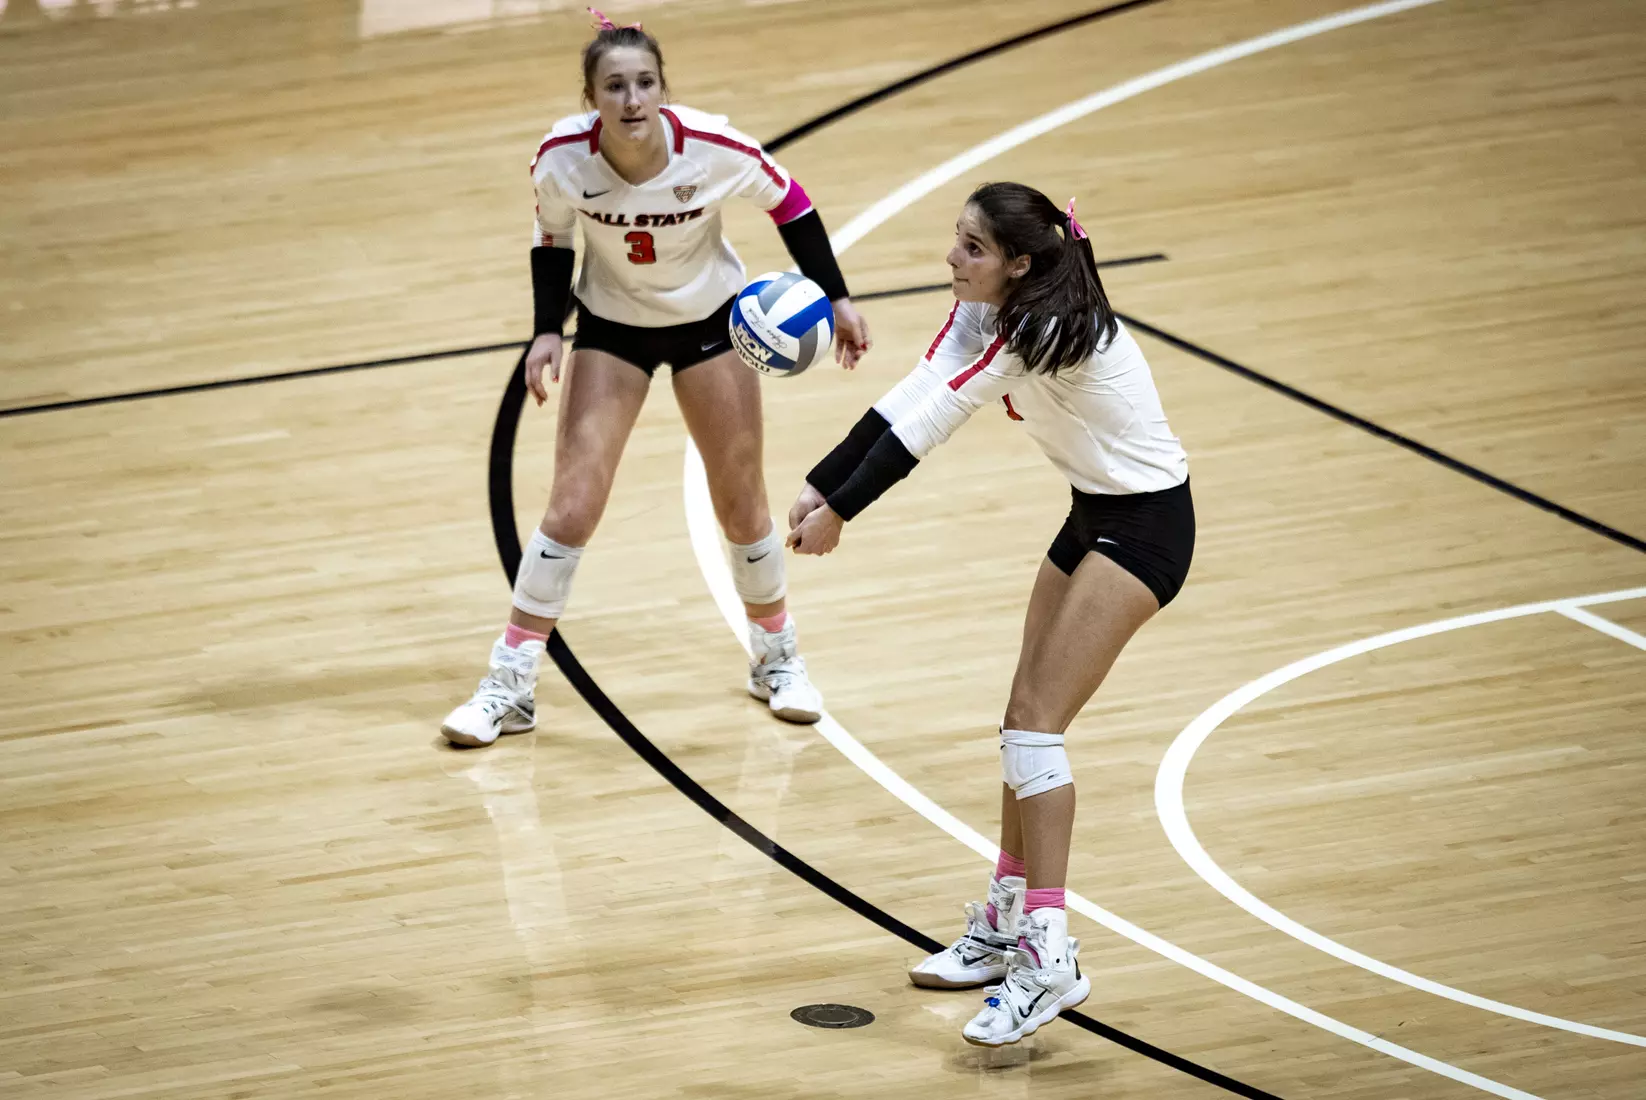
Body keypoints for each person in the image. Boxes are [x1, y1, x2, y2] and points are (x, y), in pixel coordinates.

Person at [788, 181, 1193, 1047]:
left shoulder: (1040, 329)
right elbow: (914, 389)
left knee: (1036, 732)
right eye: (957, 239)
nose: (952, 258)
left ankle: (1050, 956)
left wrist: (842, 515)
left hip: (1148, 529)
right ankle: (1008, 924)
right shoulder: (988, 309)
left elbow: (936, 421)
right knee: (1019, 724)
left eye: (971, 247)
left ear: (1019, 263)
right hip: (1093, 515)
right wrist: (824, 482)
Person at [442, 10, 872, 747]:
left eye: (645, 83)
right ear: (592, 98)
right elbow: (552, 236)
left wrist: (836, 293)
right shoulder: (561, 159)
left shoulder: (712, 147)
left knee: (742, 506)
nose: (633, 99)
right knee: (572, 506)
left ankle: (776, 659)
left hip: (714, 326)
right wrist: (548, 329)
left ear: (663, 90)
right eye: (615, 86)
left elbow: (791, 202)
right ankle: (509, 687)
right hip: (611, 328)